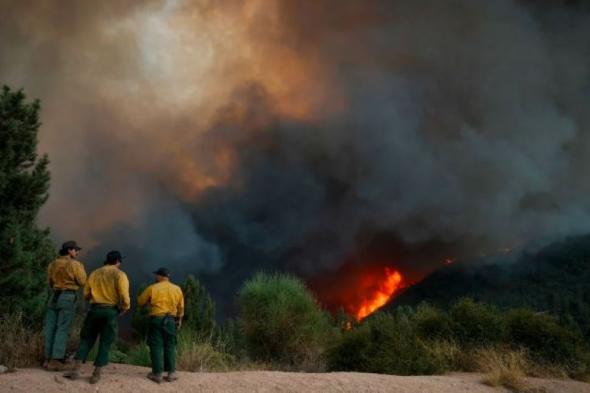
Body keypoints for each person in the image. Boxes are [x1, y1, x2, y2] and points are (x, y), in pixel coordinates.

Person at [64, 250, 130, 384]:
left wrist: (94, 300)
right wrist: (125, 307)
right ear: (118, 261)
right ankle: (96, 374)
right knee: (105, 341)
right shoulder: (120, 274)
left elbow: (86, 293)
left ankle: (76, 370)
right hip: (110, 311)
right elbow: (124, 295)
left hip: (94, 310)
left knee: (86, 339)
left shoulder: (95, 273)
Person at [44, 240, 87, 371]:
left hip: (54, 297)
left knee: (50, 327)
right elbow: (82, 281)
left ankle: (47, 359)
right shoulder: (76, 264)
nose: (77, 252)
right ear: (69, 250)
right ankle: (56, 360)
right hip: (67, 297)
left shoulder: (53, 264)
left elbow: (50, 282)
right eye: (75, 249)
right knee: (62, 328)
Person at [137, 267, 184, 383]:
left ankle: (157, 374)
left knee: (156, 346)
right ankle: (171, 373)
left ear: (160, 276)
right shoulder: (177, 289)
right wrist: (179, 319)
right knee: (170, 345)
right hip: (171, 320)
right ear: (167, 277)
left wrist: (149, 302)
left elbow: (140, 302)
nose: (155, 277)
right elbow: (181, 307)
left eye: (156, 275)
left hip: (156, 320)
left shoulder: (152, 288)